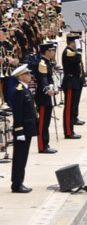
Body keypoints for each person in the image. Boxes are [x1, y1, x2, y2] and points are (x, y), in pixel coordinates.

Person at [8, 63, 37, 192]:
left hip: (27, 128)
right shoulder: (19, 90)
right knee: (19, 158)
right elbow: (18, 113)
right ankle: (17, 184)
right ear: (20, 76)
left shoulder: (24, 89)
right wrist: (19, 131)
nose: (29, 76)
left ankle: (20, 181)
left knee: (23, 157)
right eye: (26, 74)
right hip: (23, 129)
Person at [34, 41, 57, 153]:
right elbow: (43, 79)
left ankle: (46, 143)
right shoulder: (42, 63)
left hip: (48, 95)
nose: (53, 52)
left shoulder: (47, 62)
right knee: (43, 122)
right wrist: (48, 90)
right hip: (44, 96)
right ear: (46, 52)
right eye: (52, 50)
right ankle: (42, 146)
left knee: (46, 121)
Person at [61, 32, 85, 139]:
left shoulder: (72, 51)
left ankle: (70, 129)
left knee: (72, 107)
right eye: (77, 41)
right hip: (70, 82)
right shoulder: (68, 52)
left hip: (75, 81)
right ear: (73, 43)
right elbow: (77, 60)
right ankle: (68, 131)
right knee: (69, 109)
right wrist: (79, 50)